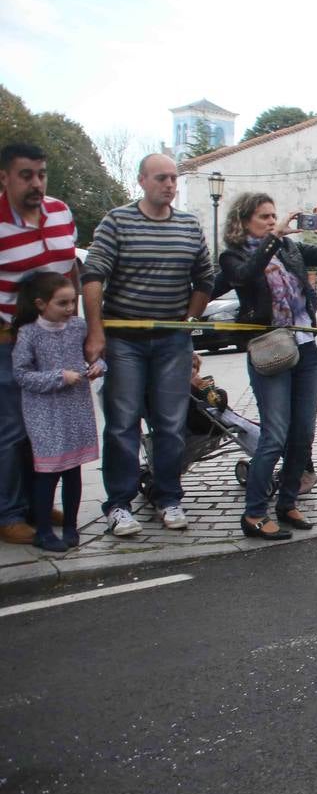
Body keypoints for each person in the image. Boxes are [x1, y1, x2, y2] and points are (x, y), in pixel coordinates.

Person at [81, 153, 214, 537]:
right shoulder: (117, 221)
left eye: (173, 178)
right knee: (122, 424)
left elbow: (205, 277)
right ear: (142, 180)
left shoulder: (189, 226)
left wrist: (187, 323)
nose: (169, 184)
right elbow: (93, 275)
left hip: (172, 341)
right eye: (161, 178)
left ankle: (168, 496)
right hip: (124, 341)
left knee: (170, 425)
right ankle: (119, 504)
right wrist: (96, 331)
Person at [218, 193, 317, 540]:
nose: (272, 221)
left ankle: (288, 501)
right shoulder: (233, 254)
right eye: (264, 217)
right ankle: (254, 513)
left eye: (273, 216)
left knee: (302, 434)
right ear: (243, 221)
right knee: (275, 434)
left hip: (305, 348)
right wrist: (273, 237)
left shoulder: (290, 249)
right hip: (269, 348)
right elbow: (244, 277)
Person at [0, 142, 80, 545]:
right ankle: (8, 513)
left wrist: (79, 323)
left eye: (41, 174)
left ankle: (36, 503)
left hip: (58, 338)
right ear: (5, 177)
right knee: (13, 429)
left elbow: (72, 270)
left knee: (43, 429)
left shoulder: (61, 211)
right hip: (8, 340)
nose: (36, 183)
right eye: (26, 175)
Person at [11, 272, 102, 552]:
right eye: (62, 304)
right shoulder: (29, 333)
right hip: (45, 414)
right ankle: (44, 531)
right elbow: (22, 374)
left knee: (73, 472)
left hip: (75, 409)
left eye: (71, 302)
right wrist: (59, 377)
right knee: (48, 474)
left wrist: (99, 367)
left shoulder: (77, 327)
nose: (70, 309)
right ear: (40, 304)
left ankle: (72, 526)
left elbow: (94, 356)